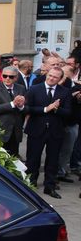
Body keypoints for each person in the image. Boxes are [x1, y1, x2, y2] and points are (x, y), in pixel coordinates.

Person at [24, 67, 71, 198]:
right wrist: (45, 109)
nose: (51, 78)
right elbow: (27, 108)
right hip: (36, 130)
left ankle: (49, 186)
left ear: (60, 79)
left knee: (53, 160)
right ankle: (30, 183)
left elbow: (68, 112)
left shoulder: (65, 92)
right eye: (50, 75)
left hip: (55, 131)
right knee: (33, 159)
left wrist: (56, 109)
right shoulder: (34, 89)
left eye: (55, 77)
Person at [0, 66, 27, 157]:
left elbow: (26, 108)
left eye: (11, 77)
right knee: (0, 158)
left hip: (16, 130)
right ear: (1, 76)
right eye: (5, 76)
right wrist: (12, 104)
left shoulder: (21, 88)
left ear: (16, 78)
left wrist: (21, 106)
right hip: (1, 130)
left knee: (14, 157)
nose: (7, 78)